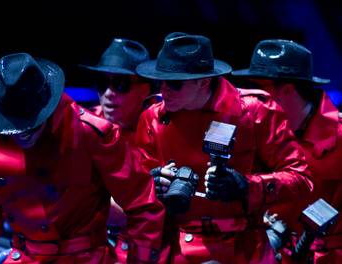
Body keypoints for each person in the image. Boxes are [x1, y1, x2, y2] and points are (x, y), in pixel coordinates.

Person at [0, 52, 165, 263]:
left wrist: (134, 260)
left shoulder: (91, 133)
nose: (21, 135)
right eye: (13, 129)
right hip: (23, 257)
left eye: (29, 128)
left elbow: (144, 206)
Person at [134, 32, 314, 263]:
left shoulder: (256, 112)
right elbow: (137, 187)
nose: (164, 89)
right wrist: (154, 183)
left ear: (203, 81)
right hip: (176, 247)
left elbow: (301, 179)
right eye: (160, 81)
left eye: (175, 83)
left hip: (246, 247)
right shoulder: (151, 117)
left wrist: (247, 186)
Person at [232, 39, 342, 263]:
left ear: (288, 89)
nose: (249, 97)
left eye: (259, 88)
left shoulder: (339, 139)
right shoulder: (243, 131)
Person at [80, 38, 161, 262]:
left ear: (148, 88)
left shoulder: (165, 131)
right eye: (102, 83)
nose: (108, 93)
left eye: (121, 84)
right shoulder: (83, 128)